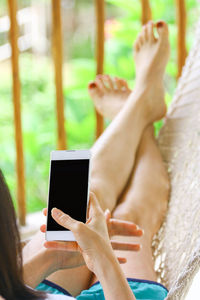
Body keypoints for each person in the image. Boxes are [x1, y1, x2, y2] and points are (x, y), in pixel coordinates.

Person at [0, 20, 170, 300]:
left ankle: (140, 107)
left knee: (87, 200)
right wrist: (103, 259)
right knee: (130, 221)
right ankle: (141, 112)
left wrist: (49, 259)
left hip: (23, 285)